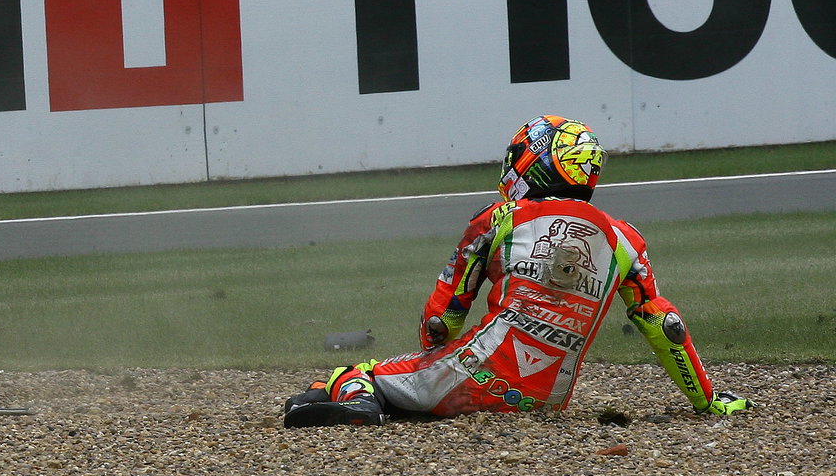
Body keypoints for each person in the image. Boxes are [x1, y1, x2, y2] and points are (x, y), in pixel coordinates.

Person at [283, 114, 753, 427]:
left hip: (470, 374)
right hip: (547, 398)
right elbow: (664, 325)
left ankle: (360, 401)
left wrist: (432, 361)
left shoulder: (498, 218)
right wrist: (707, 401)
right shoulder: (627, 239)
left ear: (536, 162)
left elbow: (440, 318)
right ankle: (391, 399)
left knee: (353, 372)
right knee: (422, 391)